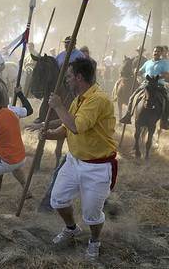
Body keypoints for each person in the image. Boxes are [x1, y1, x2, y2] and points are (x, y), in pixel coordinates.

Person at [39, 58, 117, 260]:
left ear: (79, 77)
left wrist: (57, 106)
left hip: (97, 167)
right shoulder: (78, 99)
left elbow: (76, 126)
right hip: (73, 161)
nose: (66, 80)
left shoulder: (98, 99)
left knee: (91, 215)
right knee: (57, 200)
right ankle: (71, 228)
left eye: (68, 76)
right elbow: (66, 128)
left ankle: (94, 240)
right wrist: (48, 133)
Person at [120, 46, 169, 129]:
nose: (156, 53)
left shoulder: (164, 63)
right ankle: (128, 115)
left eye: (158, 51)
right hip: (146, 84)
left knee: (167, 99)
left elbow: (166, 74)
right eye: (155, 51)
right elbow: (140, 71)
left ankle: (164, 121)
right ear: (153, 52)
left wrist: (157, 77)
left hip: (158, 85)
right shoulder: (148, 62)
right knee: (132, 97)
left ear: (161, 53)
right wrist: (136, 72)